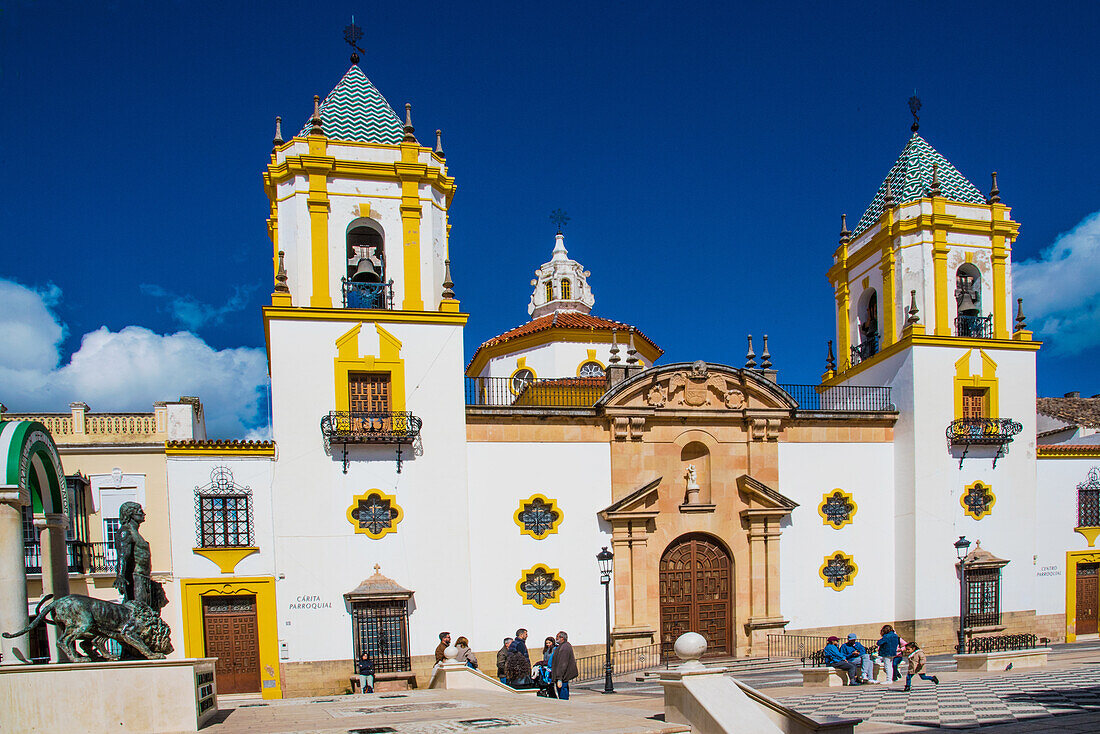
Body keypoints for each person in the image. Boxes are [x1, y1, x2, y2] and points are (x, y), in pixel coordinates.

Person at [550, 630, 578, 700]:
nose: (556, 638)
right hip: (561, 676)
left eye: (557, 636)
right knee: (562, 692)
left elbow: (563, 664)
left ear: (562, 638)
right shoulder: (562, 646)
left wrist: (559, 678)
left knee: (563, 693)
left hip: (562, 677)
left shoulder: (564, 648)